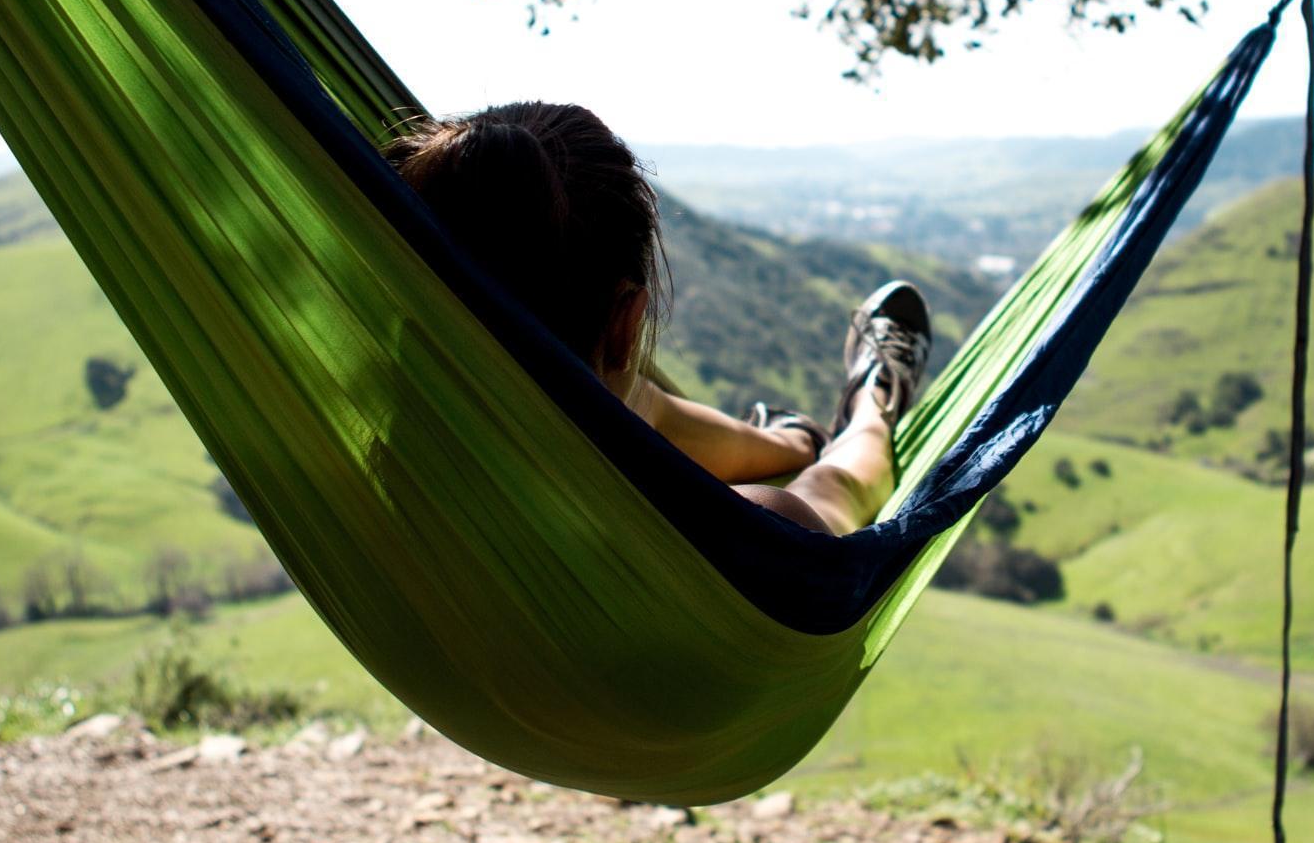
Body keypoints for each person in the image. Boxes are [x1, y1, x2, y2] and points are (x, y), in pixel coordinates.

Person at [386, 101, 931, 537]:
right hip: (721, 558)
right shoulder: (749, 534)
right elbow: (849, 488)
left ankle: (793, 439)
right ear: (627, 321)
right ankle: (872, 400)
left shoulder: (360, 481)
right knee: (836, 477)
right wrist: (852, 437)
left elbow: (638, 407)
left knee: (616, 403)